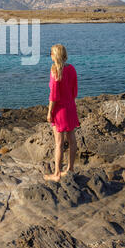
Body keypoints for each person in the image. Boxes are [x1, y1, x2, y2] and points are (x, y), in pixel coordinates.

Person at [44, 44, 80, 182]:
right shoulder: (71, 69)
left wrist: (49, 112)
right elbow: (75, 90)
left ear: (55, 55)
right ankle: (70, 169)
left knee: (58, 143)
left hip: (59, 110)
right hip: (71, 107)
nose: (50, 55)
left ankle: (57, 174)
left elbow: (53, 96)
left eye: (51, 53)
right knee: (72, 139)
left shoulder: (54, 71)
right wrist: (70, 101)